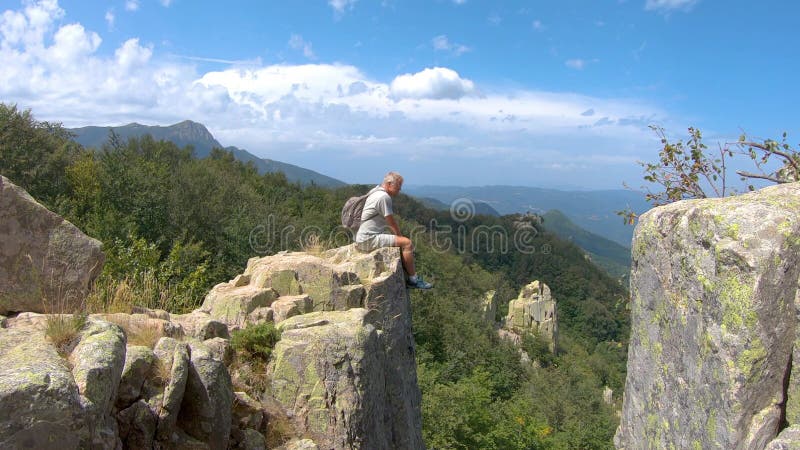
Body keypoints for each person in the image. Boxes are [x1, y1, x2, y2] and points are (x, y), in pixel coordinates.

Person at [355, 171, 433, 289]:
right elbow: (391, 222)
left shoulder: (375, 191)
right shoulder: (383, 197)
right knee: (407, 243)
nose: (399, 190)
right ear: (389, 184)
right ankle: (413, 280)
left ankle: (407, 274)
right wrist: (400, 238)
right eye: (398, 187)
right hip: (368, 239)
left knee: (399, 241)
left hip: (364, 236)